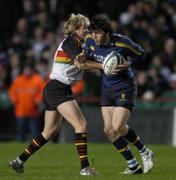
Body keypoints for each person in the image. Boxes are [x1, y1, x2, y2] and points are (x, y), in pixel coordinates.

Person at [9, 14, 101, 176]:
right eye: (83, 27)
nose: (86, 30)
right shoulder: (71, 41)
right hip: (57, 89)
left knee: (49, 132)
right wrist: (103, 65)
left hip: (56, 89)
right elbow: (80, 63)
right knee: (81, 125)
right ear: (74, 29)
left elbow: (88, 57)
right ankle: (85, 168)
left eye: (87, 27)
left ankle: (19, 161)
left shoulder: (80, 42)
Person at [76, 14, 154, 175]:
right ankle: (133, 166)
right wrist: (83, 56)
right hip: (107, 88)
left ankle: (145, 152)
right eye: (93, 32)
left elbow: (142, 54)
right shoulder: (90, 41)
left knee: (117, 127)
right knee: (109, 130)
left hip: (125, 87)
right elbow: (85, 58)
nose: (94, 36)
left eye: (97, 32)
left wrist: (128, 63)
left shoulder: (122, 42)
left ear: (106, 32)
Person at [9, 63, 45, 142]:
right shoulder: (18, 80)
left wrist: (38, 100)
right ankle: (19, 145)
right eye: (26, 69)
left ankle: (35, 146)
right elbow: (12, 92)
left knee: (34, 131)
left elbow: (43, 91)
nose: (27, 71)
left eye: (29, 69)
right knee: (20, 131)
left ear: (32, 70)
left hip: (33, 110)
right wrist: (14, 100)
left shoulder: (37, 80)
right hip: (21, 110)